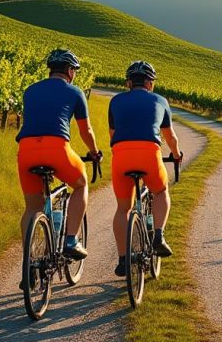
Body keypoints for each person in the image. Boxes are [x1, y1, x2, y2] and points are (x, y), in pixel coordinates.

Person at [16, 49, 101, 265]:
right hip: (56, 148)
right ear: (70, 71)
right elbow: (86, 131)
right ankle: (71, 240)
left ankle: (29, 261)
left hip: (26, 150)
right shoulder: (75, 92)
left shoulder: (30, 90)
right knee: (81, 184)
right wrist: (94, 151)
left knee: (32, 207)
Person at [108, 60, 182, 276]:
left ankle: (123, 260)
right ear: (150, 83)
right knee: (160, 191)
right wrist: (176, 156)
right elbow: (170, 137)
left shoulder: (115, 101)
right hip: (149, 153)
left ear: (129, 83)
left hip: (121, 154)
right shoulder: (160, 100)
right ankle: (158, 235)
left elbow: (113, 135)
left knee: (123, 209)